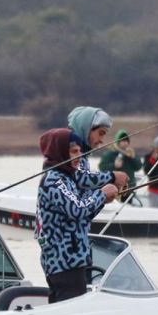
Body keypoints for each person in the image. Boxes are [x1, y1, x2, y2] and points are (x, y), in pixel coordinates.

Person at [36, 128, 118, 303]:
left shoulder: (67, 177)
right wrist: (102, 194)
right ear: (60, 152)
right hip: (63, 264)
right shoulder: (54, 180)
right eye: (74, 151)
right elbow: (77, 209)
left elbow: (81, 216)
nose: (79, 155)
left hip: (75, 261)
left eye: (80, 151)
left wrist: (102, 200)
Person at [67, 105, 128, 191]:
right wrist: (112, 177)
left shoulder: (83, 153)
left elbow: (82, 187)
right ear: (87, 128)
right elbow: (81, 178)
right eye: (101, 133)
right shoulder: (68, 148)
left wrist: (105, 190)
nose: (102, 140)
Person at [98, 128, 143, 202]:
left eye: (126, 141)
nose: (125, 143)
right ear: (118, 141)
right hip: (114, 189)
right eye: (123, 141)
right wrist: (114, 166)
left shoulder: (131, 153)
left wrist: (133, 158)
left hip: (129, 188)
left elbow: (138, 167)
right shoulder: (110, 154)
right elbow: (102, 167)